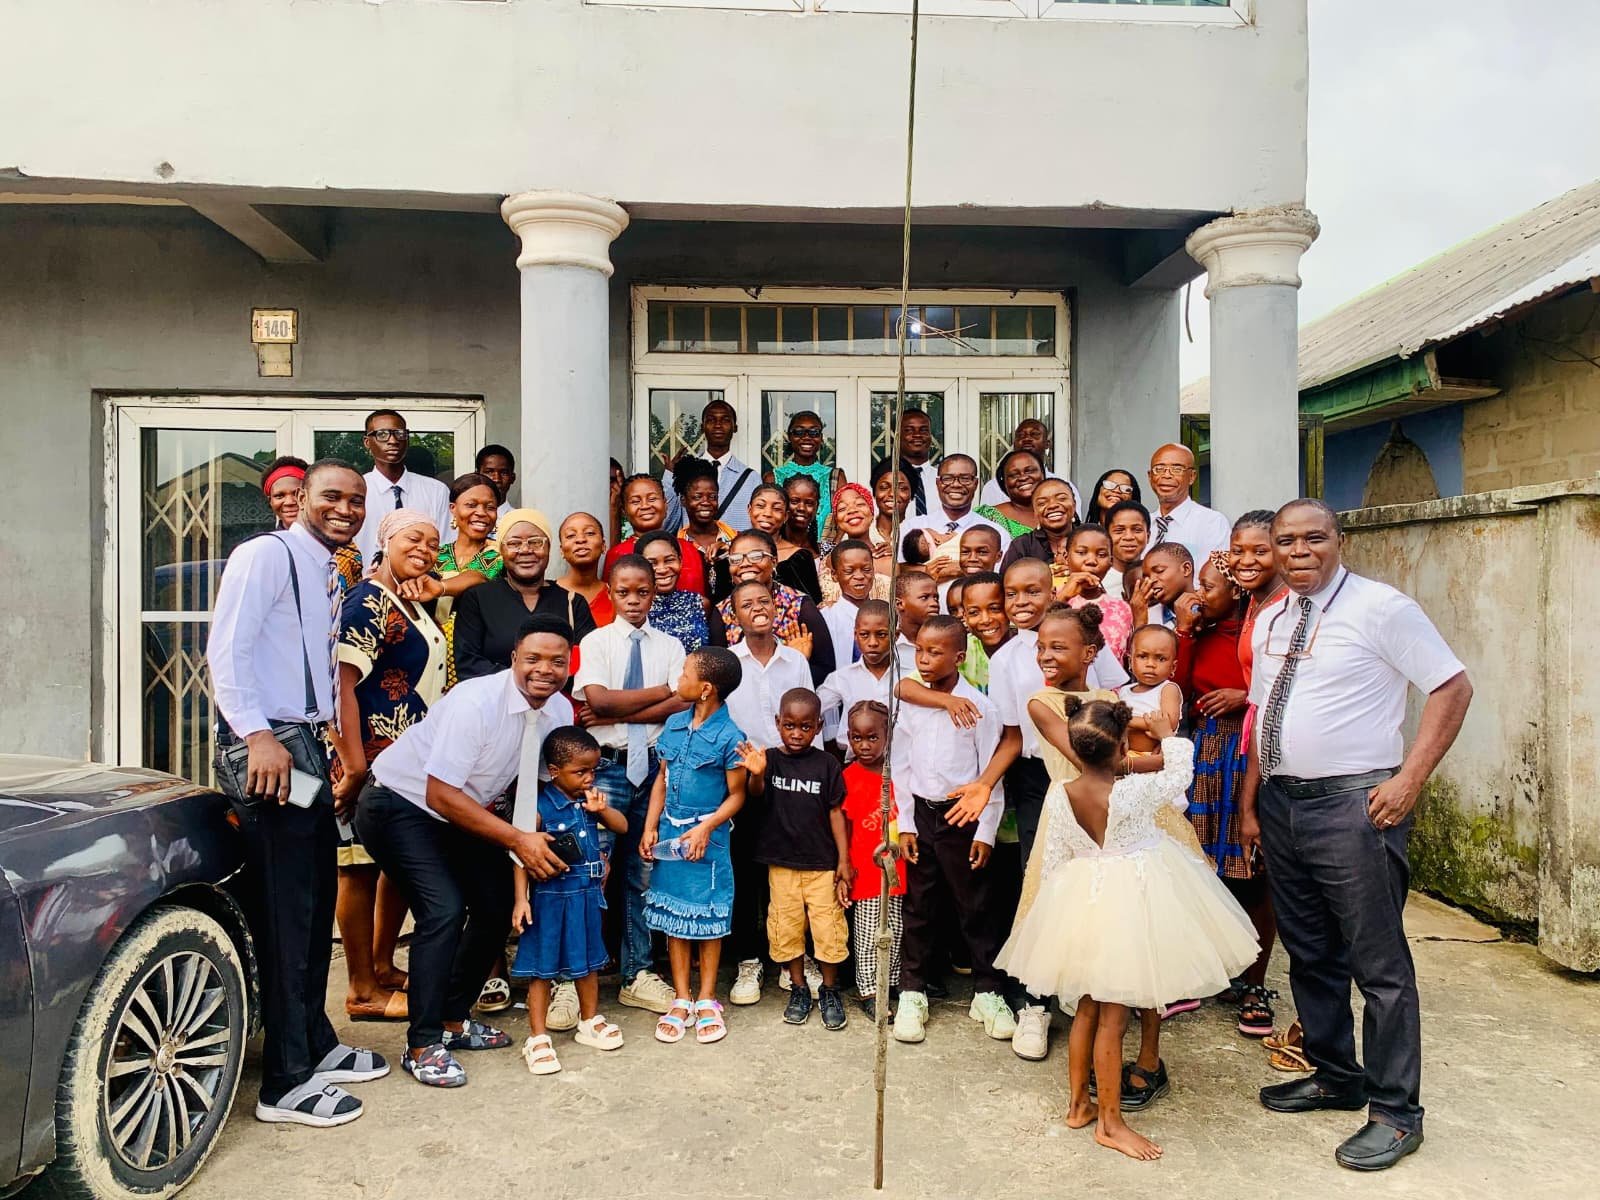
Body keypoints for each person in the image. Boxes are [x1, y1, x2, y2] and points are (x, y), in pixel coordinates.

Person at [1244, 499, 1471, 1172]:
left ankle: (1396, 1114)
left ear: (1338, 540)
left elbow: (1452, 688)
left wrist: (1409, 780)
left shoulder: (1382, 608)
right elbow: (1263, 713)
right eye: (1286, 540)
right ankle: (1336, 1074)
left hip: (1355, 806)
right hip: (1283, 804)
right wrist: (1254, 804)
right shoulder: (1272, 617)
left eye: (1314, 538)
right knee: (1309, 953)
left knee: (1379, 967)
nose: (1299, 551)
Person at [996, 699, 1259, 1161]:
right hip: (1128, 909)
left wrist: (1058, 917)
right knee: (1113, 1022)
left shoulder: (1060, 793)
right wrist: (1169, 734)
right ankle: (1111, 1123)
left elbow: (1055, 859)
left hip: (1082, 902)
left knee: (1086, 1011)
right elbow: (1180, 774)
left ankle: (1078, 1106)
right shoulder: (1133, 792)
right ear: (1122, 748)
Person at [209, 457, 387, 1127]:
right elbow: (227, 650)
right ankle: (283, 1084)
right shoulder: (266, 555)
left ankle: (313, 1043)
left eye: (357, 500)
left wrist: (333, 751)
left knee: (312, 904)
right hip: (269, 748)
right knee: (287, 915)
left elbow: (313, 672)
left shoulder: (326, 570)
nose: (346, 509)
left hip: (304, 747)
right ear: (301, 498)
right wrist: (256, 734)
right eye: (332, 496)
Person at [356, 613, 576, 1088]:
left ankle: (452, 1020)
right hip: (399, 804)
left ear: (568, 665)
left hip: (463, 811)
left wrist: (542, 841)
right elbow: (439, 794)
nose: (545, 670)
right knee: (443, 910)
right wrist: (516, 840)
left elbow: (531, 789)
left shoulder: (560, 712)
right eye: (533, 658)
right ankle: (422, 1044)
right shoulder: (475, 702)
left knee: (497, 906)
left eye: (557, 661)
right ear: (514, 658)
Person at [326, 510, 449, 1023]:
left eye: (433, 543)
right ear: (386, 542)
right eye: (413, 538)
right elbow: (341, 686)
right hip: (370, 758)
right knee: (358, 868)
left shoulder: (410, 601)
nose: (424, 548)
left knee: (395, 864)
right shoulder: (368, 601)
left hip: (406, 760)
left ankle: (381, 964)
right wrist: (353, 765)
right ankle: (361, 989)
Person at [572, 554, 690, 1017]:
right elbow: (597, 699)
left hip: (655, 771)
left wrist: (617, 707)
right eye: (624, 592)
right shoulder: (597, 642)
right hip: (607, 768)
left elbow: (682, 703)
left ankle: (636, 973)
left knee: (643, 873)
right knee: (593, 869)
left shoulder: (671, 645)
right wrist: (660, 692)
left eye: (643, 592)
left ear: (654, 593)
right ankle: (573, 977)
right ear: (611, 593)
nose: (634, 600)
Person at [889, 616, 1012, 1046]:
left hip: (963, 816)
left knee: (975, 906)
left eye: (935, 652)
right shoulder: (912, 700)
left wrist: (985, 833)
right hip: (922, 814)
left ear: (959, 657)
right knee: (919, 907)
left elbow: (989, 776)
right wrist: (906, 824)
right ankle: (913, 992)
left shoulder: (981, 709)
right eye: (920, 651)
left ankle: (988, 992)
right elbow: (901, 766)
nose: (924, 660)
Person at [1173, 552, 1278, 1037]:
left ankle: (1254, 982)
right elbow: (1175, 692)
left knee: (1254, 869)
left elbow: (1281, 688)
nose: (1199, 593)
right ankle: (1200, 971)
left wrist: (1246, 695)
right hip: (1205, 753)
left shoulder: (1262, 635)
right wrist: (1185, 633)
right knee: (1197, 867)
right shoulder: (1202, 633)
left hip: (1249, 752)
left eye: (1209, 585)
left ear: (1236, 590)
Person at [641, 647, 751, 1045]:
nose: (678, 678)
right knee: (676, 918)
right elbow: (662, 779)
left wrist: (706, 828)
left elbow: (737, 795)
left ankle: (706, 998)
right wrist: (650, 827)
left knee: (707, 919)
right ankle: (681, 997)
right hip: (671, 835)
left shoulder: (731, 737)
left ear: (706, 689)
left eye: (685, 673)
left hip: (709, 840)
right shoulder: (673, 724)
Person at [719, 580, 817, 1007]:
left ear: (777, 608)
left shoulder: (795, 660)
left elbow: (810, 716)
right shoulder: (728, 663)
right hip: (740, 774)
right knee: (745, 872)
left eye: (764, 601)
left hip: (788, 772)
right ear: (734, 614)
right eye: (747, 604)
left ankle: (793, 957)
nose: (757, 608)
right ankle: (748, 960)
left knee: (792, 871)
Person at [511, 726, 627, 1076]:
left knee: (588, 961)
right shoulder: (540, 807)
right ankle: (537, 1036)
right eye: (580, 771)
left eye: (593, 770)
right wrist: (520, 900)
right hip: (549, 898)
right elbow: (520, 855)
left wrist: (601, 811)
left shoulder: (589, 800)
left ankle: (589, 1021)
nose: (589, 778)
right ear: (554, 770)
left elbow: (621, 826)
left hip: (587, 896)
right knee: (541, 968)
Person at [736, 689, 853, 1031]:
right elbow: (756, 795)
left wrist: (843, 860)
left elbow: (836, 813)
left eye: (805, 727)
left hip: (822, 865)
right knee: (785, 928)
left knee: (829, 929)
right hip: (782, 864)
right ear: (778, 723)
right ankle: (799, 987)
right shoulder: (770, 759)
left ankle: (829, 990)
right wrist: (757, 773)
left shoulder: (827, 764)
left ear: (818, 726)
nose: (797, 733)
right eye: (789, 725)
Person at [455, 509, 596, 681]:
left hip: (557, 696)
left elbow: (591, 662)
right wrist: (526, 682)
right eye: (514, 543)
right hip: (495, 696)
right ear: (501, 550)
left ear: (549, 548)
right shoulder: (477, 598)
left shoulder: (572, 603)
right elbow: (467, 663)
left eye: (535, 542)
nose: (525, 550)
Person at [839, 700, 907, 1020]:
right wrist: (844, 866)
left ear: (888, 735)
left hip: (899, 869)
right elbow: (844, 826)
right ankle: (868, 990)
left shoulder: (901, 773)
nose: (864, 745)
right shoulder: (848, 777)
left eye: (872, 737)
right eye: (857, 738)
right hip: (865, 871)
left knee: (896, 929)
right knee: (868, 933)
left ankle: (890, 984)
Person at [709, 530, 836, 686]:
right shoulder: (722, 611)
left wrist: (796, 662)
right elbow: (718, 676)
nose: (745, 564)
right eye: (736, 559)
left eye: (756, 556)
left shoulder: (799, 604)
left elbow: (826, 668)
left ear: (774, 561)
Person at [353, 409, 453, 568]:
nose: (393, 440)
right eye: (382, 434)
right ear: (367, 442)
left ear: (407, 440)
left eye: (399, 434)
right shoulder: (355, 490)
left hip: (424, 581)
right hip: (365, 580)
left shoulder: (436, 491)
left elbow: (446, 546)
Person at [434, 473, 501, 689]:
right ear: (453, 509)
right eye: (471, 505)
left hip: (475, 654)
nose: (481, 513)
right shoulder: (437, 554)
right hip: (434, 651)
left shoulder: (498, 553)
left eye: (490, 507)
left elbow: (477, 576)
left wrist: (437, 587)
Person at [662, 398, 761, 534]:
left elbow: (758, 528)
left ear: (735, 427)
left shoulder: (751, 478)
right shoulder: (686, 471)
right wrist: (670, 475)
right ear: (702, 427)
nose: (718, 425)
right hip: (691, 546)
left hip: (736, 547)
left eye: (725, 420)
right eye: (711, 420)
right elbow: (666, 525)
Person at [606, 475, 709, 596]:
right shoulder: (617, 555)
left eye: (652, 499)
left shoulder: (689, 548)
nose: (645, 506)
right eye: (636, 501)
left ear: (665, 505)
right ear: (624, 510)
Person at [818, 599, 897, 756]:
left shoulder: (909, 676)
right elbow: (810, 709)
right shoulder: (842, 678)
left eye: (881, 634)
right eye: (864, 635)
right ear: (855, 635)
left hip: (901, 763)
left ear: (896, 635)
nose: (872, 642)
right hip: (857, 762)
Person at [899, 453, 1009, 564]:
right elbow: (898, 569)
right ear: (938, 483)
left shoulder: (996, 534)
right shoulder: (912, 528)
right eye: (947, 478)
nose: (956, 484)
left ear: (975, 484)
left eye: (965, 478)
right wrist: (929, 569)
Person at [1055, 524, 1134, 661]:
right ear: (1066, 557)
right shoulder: (1051, 597)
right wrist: (1063, 598)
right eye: (1081, 552)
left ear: (1111, 561)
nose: (1091, 561)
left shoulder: (1122, 609)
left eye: (1101, 555)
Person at [1146, 443, 1230, 565]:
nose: (1167, 475)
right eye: (1159, 469)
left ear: (1192, 477)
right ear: (1150, 476)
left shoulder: (1213, 523)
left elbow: (1218, 573)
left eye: (1177, 469)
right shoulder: (1141, 525)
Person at [739, 483, 824, 603]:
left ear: (786, 516)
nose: (767, 513)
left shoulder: (798, 557)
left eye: (777, 509)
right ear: (749, 509)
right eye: (760, 506)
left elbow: (812, 603)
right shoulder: (733, 553)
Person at [772, 410, 846, 541]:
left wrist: (831, 550)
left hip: (825, 551)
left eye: (814, 432)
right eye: (799, 432)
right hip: (783, 551)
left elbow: (844, 519)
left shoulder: (835, 477)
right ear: (789, 437)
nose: (806, 437)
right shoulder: (773, 477)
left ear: (821, 438)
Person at [638, 529, 711, 653]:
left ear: (680, 561)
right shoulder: (633, 608)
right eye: (652, 563)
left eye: (669, 560)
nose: (662, 569)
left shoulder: (700, 604)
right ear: (639, 567)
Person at [998, 477, 1079, 589]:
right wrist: (1043, 576)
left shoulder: (1091, 537)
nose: (1052, 505)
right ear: (1035, 512)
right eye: (1042, 503)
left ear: (1074, 505)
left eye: (1061, 498)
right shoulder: (1022, 545)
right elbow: (1006, 586)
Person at [1119, 625, 1184, 759]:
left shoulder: (1168, 689)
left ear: (1173, 667)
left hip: (1152, 758)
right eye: (1142, 656)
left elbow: (1169, 723)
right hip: (1124, 756)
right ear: (1130, 661)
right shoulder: (1124, 691)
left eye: (1161, 659)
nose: (1151, 664)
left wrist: (1126, 719)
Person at [978, 418, 1073, 508]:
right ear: (1014, 444)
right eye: (1021, 435)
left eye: (1034, 434)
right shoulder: (993, 487)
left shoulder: (1063, 487)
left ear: (1047, 443)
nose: (1027, 439)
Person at [821, 481, 893, 597]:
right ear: (837, 521)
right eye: (842, 508)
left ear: (872, 513)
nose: (852, 510)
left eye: (860, 504)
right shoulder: (830, 561)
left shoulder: (888, 560)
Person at [671, 455, 737, 575]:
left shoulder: (736, 539)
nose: (706, 502)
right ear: (683, 500)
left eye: (712, 497)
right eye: (697, 497)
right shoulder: (675, 547)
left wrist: (731, 550)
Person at [818, 539, 878, 668]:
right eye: (849, 571)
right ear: (834, 575)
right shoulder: (825, 619)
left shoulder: (888, 615)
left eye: (866, 569)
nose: (859, 576)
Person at [554, 511, 614, 628]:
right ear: (561, 551)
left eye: (590, 533)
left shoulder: (615, 596)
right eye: (571, 535)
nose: (581, 539)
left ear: (603, 545)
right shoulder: (548, 595)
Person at [974, 448, 1045, 537]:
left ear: (1042, 474)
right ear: (1004, 482)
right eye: (1014, 475)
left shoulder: (1058, 511)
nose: (1023, 477)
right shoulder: (989, 517)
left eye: (1029, 471)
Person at [1129, 540, 1195, 631]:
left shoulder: (1209, 610)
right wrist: (1139, 623)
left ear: (1186, 569)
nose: (1151, 580)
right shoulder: (1147, 618)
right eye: (1146, 577)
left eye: (1159, 571)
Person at [894, 407, 942, 517]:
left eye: (923, 430)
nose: (917, 435)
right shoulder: (886, 481)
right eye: (909, 430)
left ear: (930, 436)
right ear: (897, 436)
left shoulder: (943, 481)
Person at [1103, 499, 1152, 602]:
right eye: (1119, 530)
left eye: (1137, 530)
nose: (1128, 537)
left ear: (1148, 536)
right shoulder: (1097, 579)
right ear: (1106, 536)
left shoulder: (1157, 578)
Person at [892, 570, 939, 674]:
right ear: (899, 604)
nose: (934, 603)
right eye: (924, 597)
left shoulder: (945, 643)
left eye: (936, 598)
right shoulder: (889, 647)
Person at [869, 460, 914, 559]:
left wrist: (899, 554)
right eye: (884, 487)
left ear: (911, 495)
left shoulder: (919, 534)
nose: (892, 494)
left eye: (902, 488)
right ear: (874, 493)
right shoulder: (862, 531)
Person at [475, 443, 517, 517]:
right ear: (477, 476)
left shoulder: (518, 520)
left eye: (504, 473)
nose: (497, 479)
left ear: (512, 478)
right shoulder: (464, 517)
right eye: (489, 472)